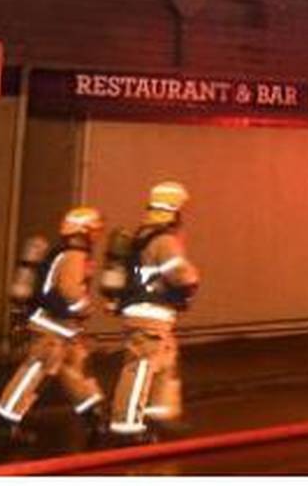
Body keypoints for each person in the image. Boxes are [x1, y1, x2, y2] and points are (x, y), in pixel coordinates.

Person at [0, 207, 106, 440]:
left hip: (62, 326)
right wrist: (85, 308)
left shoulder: (66, 252)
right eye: (94, 230)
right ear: (83, 231)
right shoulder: (75, 254)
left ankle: (93, 413)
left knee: (75, 370)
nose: (97, 235)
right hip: (51, 325)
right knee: (36, 370)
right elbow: (69, 290)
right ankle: (7, 419)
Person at [108, 181, 200, 440]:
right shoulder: (164, 241)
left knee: (163, 365)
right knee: (141, 368)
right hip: (151, 314)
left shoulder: (142, 237)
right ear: (173, 211)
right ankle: (127, 427)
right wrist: (194, 277)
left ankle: (158, 416)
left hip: (151, 314)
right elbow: (180, 275)